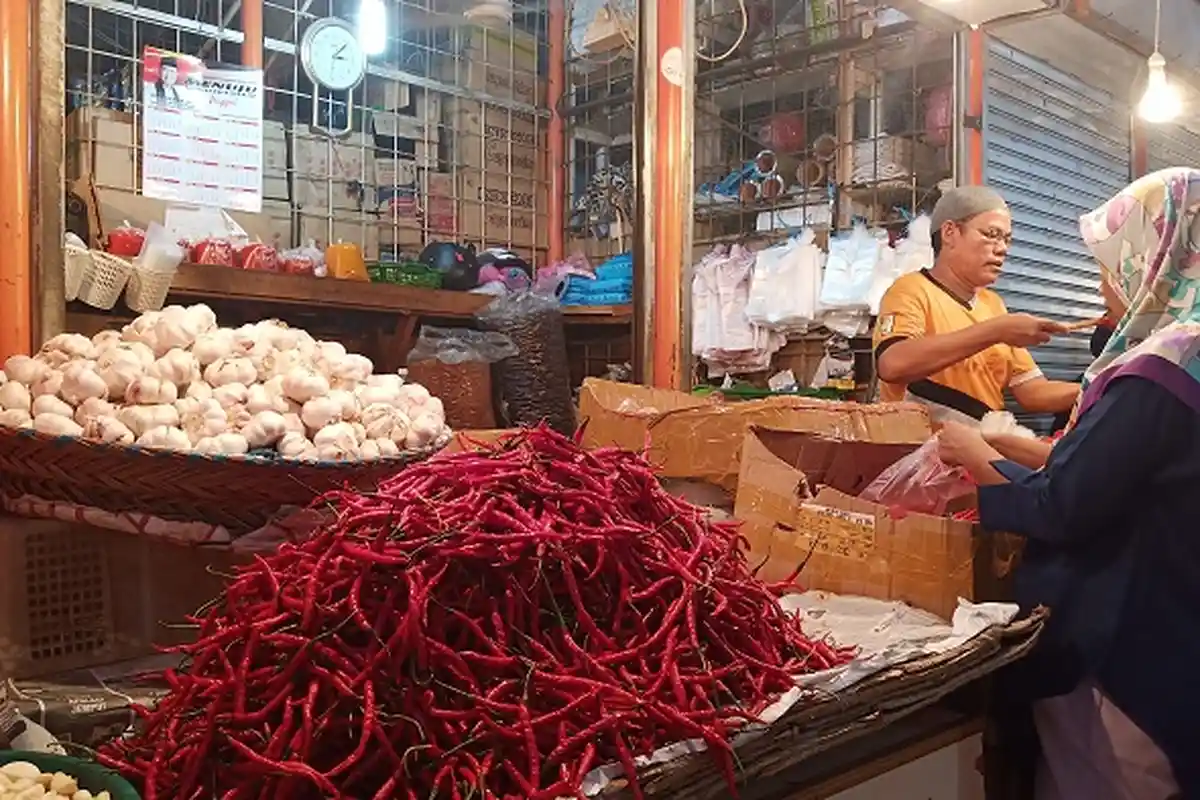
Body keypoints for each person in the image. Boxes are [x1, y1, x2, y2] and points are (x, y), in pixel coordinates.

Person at [937, 167, 1200, 799]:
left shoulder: (1159, 373)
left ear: (1153, 258)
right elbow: (1114, 470)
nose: (1107, 284)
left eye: (1111, 264)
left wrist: (977, 453)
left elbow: (1067, 503)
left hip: (1128, 642)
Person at [874, 185, 1080, 425]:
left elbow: (1032, 392)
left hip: (980, 452)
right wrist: (996, 331)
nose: (1002, 248)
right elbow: (893, 364)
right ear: (950, 232)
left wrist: (1101, 386)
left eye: (1006, 239)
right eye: (991, 234)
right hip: (923, 453)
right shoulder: (911, 290)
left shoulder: (993, 305)